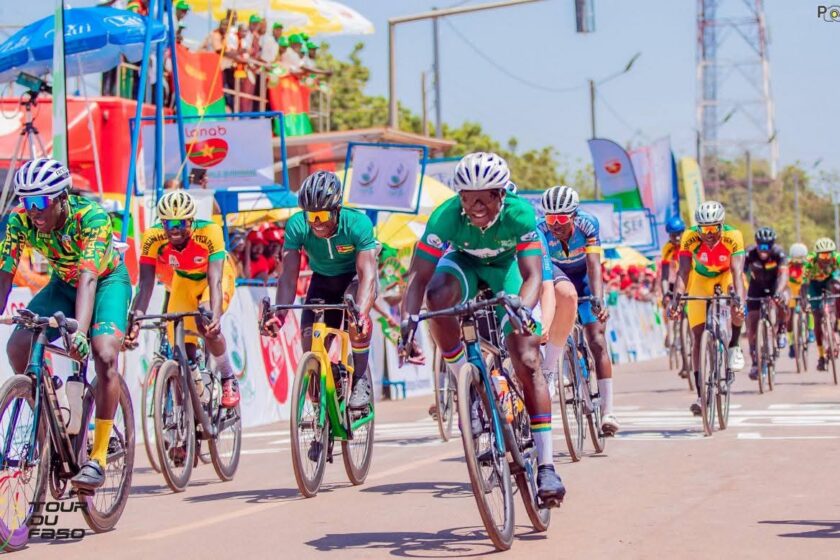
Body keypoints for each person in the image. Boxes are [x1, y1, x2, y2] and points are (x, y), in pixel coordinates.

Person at [399, 152, 566, 505]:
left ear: (501, 194)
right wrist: (407, 321)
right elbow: (418, 277)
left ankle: (547, 465)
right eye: (466, 197)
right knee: (437, 295)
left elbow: (534, 274)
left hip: (509, 270)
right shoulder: (445, 217)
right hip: (465, 266)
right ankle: (466, 383)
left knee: (526, 357)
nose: (474, 206)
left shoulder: (520, 213)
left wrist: (521, 306)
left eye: (483, 197)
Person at [0, 158, 132, 491]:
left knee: (103, 354)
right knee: (17, 346)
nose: (33, 211)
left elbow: (88, 279)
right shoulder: (20, 221)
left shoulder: (91, 217)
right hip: (62, 283)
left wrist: (80, 332)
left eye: (40, 202)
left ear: (62, 197)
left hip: (104, 282)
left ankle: (98, 456)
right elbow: (4, 273)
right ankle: (54, 415)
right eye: (25, 201)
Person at [263, 171, 378, 409]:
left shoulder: (358, 224)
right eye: (311, 215)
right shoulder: (297, 225)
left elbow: (368, 274)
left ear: (336, 210)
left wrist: (362, 313)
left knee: (357, 321)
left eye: (323, 214)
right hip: (322, 282)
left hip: (353, 279)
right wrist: (280, 314)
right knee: (310, 350)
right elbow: (288, 276)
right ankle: (327, 396)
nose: (316, 222)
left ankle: (359, 379)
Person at [125, 191, 240, 410]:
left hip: (214, 276)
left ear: (191, 220)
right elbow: (146, 284)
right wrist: (136, 318)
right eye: (168, 223)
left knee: (206, 320)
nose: (174, 229)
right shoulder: (152, 237)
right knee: (179, 342)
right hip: (184, 279)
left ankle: (227, 377)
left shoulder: (209, 231)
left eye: (180, 222)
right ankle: (193, 392)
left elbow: (215, 280)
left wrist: (215, 316)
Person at [537, 185, 619, 435]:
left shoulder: (588, 224)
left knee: (596, 341)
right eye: (550, 217)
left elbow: (594, 266)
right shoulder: (539, 230)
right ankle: (562, 367)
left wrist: (598, 299)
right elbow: (542, 273)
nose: (555, 224)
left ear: (574, 215)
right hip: (557, 277)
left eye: (561, 218)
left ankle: (608, 410)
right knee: (549, 330)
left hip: (583, 276)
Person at [671, 201, 746, 415]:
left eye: (714, 228)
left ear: (722, 225)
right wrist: (676, 301)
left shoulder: (734, 236)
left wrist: (738, 300)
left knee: (735, 303)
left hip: (726, 276)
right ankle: (701, 395)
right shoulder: (689, 236)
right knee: (697, 337)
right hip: (701, 279)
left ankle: (733, 345)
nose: (710, 233)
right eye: (705, 229)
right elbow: (683, 272)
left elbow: (737, 271)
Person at [744, 227, 789, 381]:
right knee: (751, 324)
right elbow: (740, 273)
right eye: (761, 246)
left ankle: (782, 329)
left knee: (782, 303)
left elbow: (784, 275)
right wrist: (741, 292)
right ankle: (755, 362)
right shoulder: (749, 253)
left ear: (772, 245)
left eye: (767, 246)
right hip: (755, 288)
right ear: (756, 244)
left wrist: (779, 291)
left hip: (774, 285)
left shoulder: (778, 253)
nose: (764, 250)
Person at [802, 238, 840, 371]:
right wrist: (804, 299)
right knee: (817, 319)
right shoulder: (810, 261)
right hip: (814, 285)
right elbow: (804, 283)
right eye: (822, 255)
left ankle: (838, 323)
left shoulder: (837, 258)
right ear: (817, 255)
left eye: (828, 254)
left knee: (837, 286)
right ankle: (821, 356)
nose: (825, 258)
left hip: (830, 281)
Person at [200, 11, 239, 110]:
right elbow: (219, 50)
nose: (225, 27)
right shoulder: (215, 34)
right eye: (224, 25)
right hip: (209, 66)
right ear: (220, 25)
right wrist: (234, 55)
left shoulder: (226, 36)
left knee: (223, 89)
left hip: (219, 67)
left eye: (227, 25)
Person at [786, 242, 809, 357]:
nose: (799, 262)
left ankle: (809, 331)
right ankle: (791, 343)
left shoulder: (808, 266)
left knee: (810, 309)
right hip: (791, 293)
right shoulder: (787, 265)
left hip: (803, 292)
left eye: (801, 259)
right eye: (796, 259)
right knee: (789, 319)